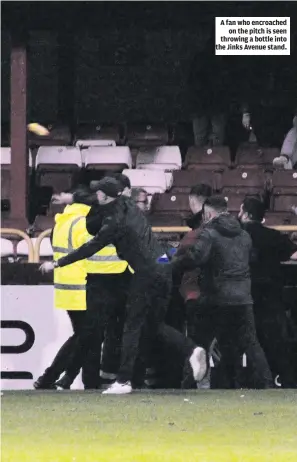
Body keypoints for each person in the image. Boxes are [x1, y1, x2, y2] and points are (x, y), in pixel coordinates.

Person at [40, 177, 207, 395]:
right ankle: (191, 349)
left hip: (146, 273)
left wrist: (57, 263)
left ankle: (124, 380)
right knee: (153, 325)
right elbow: (91, 197)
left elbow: (89, 248)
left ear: (104, 197)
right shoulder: (127, 203)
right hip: (163, 267)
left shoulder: (113, 223)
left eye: (98, 194)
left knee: (132, 325)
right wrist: (70, 197)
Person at [171, 195, 273, 389]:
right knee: (250, 344)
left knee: (199, 343)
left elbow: (196, 258)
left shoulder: (209, 233)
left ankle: (188, 386)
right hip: (243, 297)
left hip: (215, 298)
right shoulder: (243, 234)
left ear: (208, 213)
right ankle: (267, 385)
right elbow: (251, 257)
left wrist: (172, 263)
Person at [34, 188, 98, 389]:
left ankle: (64, 377)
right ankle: (50, 377)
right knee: (83, 336)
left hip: (66, 286)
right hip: (82, 284)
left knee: (84, 335)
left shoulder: (62, 221)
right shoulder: (86, 223)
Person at [238, 197, 297, 388]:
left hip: (244, 296)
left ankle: (246, 380)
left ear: (245, 214)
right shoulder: (274, 236)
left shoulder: (237, 236)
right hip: (271, 297)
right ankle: (284, 380)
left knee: (245, 341)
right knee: (276, 341)